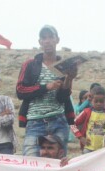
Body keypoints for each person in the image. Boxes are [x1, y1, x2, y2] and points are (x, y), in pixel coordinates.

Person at [16, 25, 76, 157]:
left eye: (50, 37)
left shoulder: (63, 65)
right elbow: (20, 91)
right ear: (40, 42)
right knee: (31, 163)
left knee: (58, 166)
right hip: (35, 121)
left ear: (57, 40)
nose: (47, 41)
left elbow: (63, 97)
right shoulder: (30, 64)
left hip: (58, 120)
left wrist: (69, 79)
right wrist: (46, 87)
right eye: (44, 38)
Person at [74, 85, 105, 153]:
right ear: (91, 100)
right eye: (96, 101)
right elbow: (72, 124)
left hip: (104, 149)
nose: (98, 104)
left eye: (101, 101)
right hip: (88, 148)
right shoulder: (86, 112)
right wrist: (80, 137)